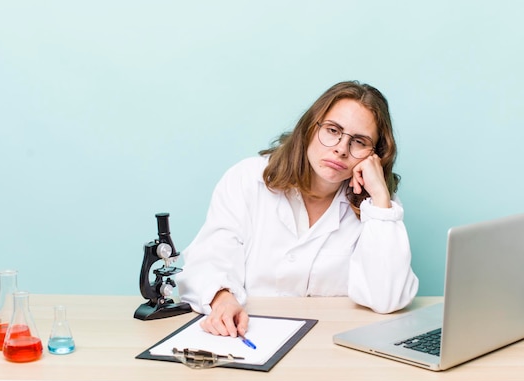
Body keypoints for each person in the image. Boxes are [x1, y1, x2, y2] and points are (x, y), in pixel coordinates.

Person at [176, 81, 419, 339]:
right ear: (309, 128)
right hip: (251, 335)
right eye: (333, 129)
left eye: (359, 141)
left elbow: (387, 298)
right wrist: (222, 299)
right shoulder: (246, 180)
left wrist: (380, 198)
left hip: (331, 347)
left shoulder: (378, 209)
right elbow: (210, 257)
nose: (340, 149)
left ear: (375, 155)